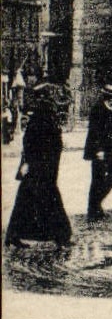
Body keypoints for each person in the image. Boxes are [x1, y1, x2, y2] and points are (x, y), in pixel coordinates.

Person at [4, 84, 72, 250]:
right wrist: (27, 162)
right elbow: (30, 142)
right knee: (47, 200)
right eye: (52, 96)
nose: (55, 100)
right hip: (40, 168)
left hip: (45, 167)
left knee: (27, 200)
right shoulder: (42, 115)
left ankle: (14, 235)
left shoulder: (46, 114)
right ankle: (61, 236)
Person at [84, 82, 112, 223]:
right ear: (109, 97)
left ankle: (96, 204)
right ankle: (93, 210)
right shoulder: (98, 109)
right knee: (97, 179)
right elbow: (94, 132)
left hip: (109, 148)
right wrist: (99, 150)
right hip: (98, 149)